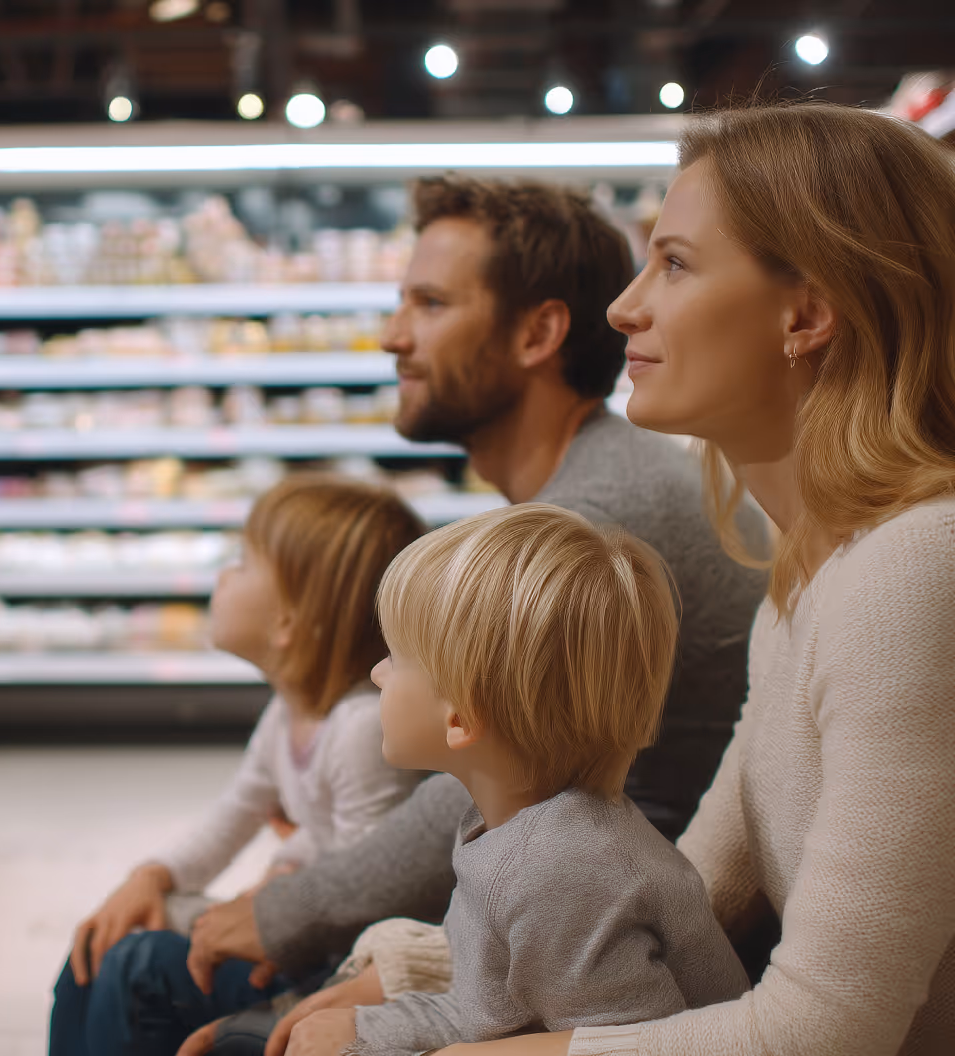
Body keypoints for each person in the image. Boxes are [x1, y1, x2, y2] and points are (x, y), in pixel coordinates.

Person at [352, 100, 955, 1056]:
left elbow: (828, 1030)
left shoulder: (912, 572)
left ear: (806, 312)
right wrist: (431, 981)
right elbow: (690, 898)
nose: (624, 307)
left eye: (673, 263)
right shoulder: (813, 570)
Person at [169, 177, 770, 1056]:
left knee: (147, 975)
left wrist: (289, 914)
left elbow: (472, 779)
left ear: (538, 333)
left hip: (576, 929)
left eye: (430, 302)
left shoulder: (584, 532)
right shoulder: (599, 485)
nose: (391, 334)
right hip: (560, 923)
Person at [287, 503, 749, 1056]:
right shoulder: (516, 829)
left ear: (460, 717)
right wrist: (370, 1029)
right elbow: (496, 1013)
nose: (377, 673)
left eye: (396, 657)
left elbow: (621, 1047)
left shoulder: (560, 871)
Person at [49, 475, 428, 1056]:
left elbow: (372, 889)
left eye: (243, 563)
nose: (224, 576)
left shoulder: (358, 729)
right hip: (301, 930)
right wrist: (154, 876)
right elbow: (234, 816)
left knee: (136, 964)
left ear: (288, 623)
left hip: (333, 966)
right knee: (101, 943)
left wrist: (283, 896)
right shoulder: (287, 714)